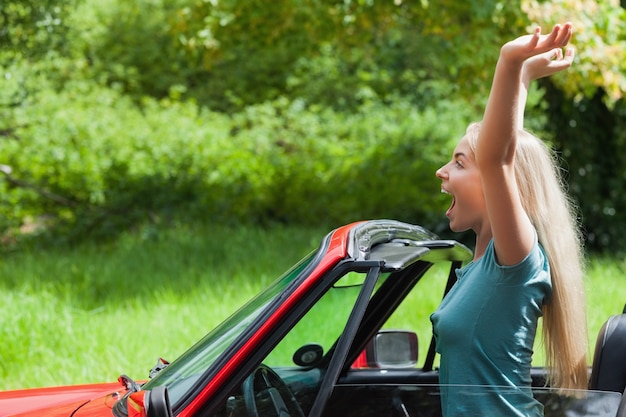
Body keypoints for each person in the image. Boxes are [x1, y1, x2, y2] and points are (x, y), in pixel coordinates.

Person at [430, 22, 588, 417]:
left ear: (500, 184)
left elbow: (498, 156)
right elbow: (500, 152)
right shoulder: (483, 268)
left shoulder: (516, 261)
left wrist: (509, 59)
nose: (442, 171)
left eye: (460, 162)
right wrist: (525, 73)